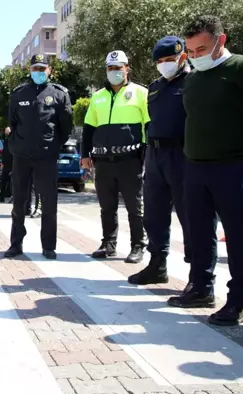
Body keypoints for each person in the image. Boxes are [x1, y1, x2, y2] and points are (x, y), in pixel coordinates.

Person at [167, 15, 243, 326]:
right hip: (195, 167)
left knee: (238, 236)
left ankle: (239, 301)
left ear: (220, 41)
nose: (196, 57)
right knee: (198, 232)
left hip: (232, 167)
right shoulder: (194, 78)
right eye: (191, 51)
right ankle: (200, 287)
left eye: (201, 49)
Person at [128, 36, 192, 286]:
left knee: (191, 217)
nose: (165, 64)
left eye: (170, 60)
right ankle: (157, 266)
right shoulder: (155, 87)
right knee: (153, 214)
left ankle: (197, 276)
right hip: (155, 157)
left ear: (182, 58)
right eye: (160, 61)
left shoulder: (193, 83)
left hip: (183, 157)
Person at [81, 50, 150, 264]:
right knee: (107, 206)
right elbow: (89, 128)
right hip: (103, 162)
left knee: (134, 206)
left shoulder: (141, 93)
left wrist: (147, 155)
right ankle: (108, 244)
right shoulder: (98, 96)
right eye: (110, 68)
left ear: (127, 68)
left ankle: (138, 246)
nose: (114, 72)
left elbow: (148, 126)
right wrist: (85, 155)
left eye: (118, 67)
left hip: (130, 160)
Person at [4, 53, 73, 260]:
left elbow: (66, 126)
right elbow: (12, 124)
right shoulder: (18, 94)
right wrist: (16, 145)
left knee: (49, 203)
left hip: (46, 158)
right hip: (22, 157)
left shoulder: (59, 94)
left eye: (43, 69)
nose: (39, 72)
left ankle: (48, 246)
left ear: (49, 71)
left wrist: (52, 146)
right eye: (36, 69)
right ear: (30, 70)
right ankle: (16, 244)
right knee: (18, 203)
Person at [0, 126, 13, 203]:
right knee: (4, 181)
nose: (6, 133)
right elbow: (4, 153)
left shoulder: (12, 141)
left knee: (11, 181)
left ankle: (11, 197)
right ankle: (2, 197)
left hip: (13, 163)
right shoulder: (6, 141)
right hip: (7, 163)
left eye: (7, 132)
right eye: (6, 132)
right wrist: (2, 163)